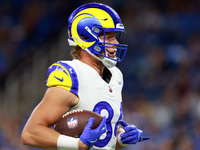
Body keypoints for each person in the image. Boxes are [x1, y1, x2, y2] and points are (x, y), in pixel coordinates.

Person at [21, 2, 149, 150]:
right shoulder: (72, 75)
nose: (116, 43)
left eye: (115, 37)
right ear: (86, 38)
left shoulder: (116, 76)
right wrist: (77, 144)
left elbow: (103, 141)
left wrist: (121, 138)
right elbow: (30, 133)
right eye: (108, 38)